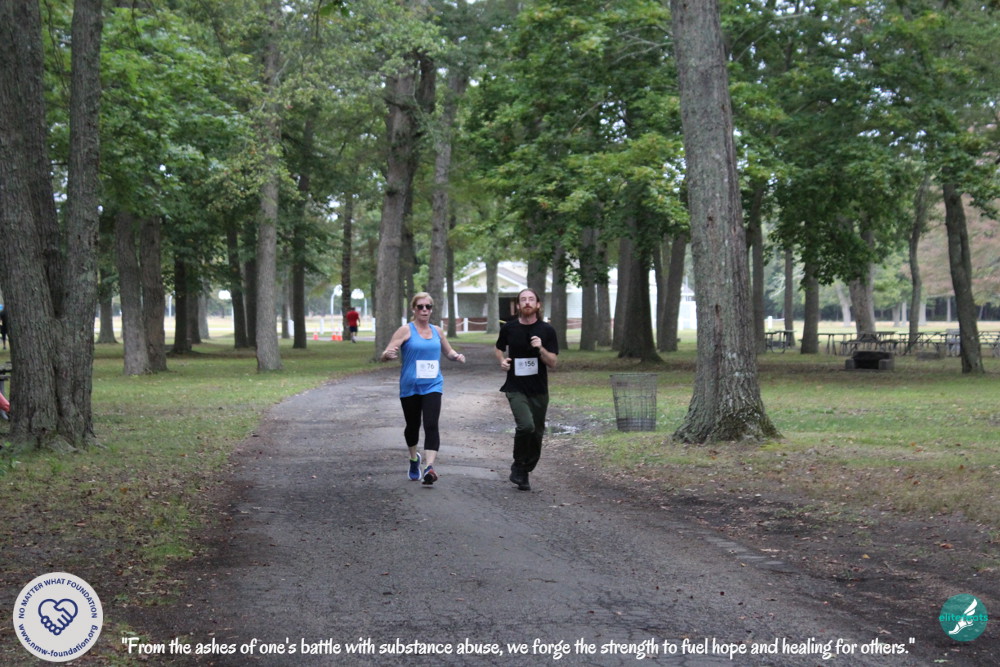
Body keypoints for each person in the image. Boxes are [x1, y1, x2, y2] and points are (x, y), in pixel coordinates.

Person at [380, 293, 465, 485]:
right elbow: (387, 352)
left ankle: (429, 467)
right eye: (420, 307)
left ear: (432, 309)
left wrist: (456, 356)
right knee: (412, 426)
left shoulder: (437, 331)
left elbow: (448, 351)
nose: (425, 310)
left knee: (431, 424)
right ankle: (413, 459)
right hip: (410, 386)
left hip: (433, 385)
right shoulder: (405, 330)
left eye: (428, 307)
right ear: (414, 309)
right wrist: (387, 355)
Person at [495, 288, 558, 491]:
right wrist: (502, 361)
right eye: (523, 299)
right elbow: (499, 348)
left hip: (538, 389)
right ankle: (518, 464)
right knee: (526, 426)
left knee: (537, 433)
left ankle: (525, 469)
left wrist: (540, 348)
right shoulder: (509, 328)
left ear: (538, 305)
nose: (527, 302)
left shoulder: (547, 330)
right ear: (518, 305)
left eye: (531, 299)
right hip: (515, 386)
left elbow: (553, 362)